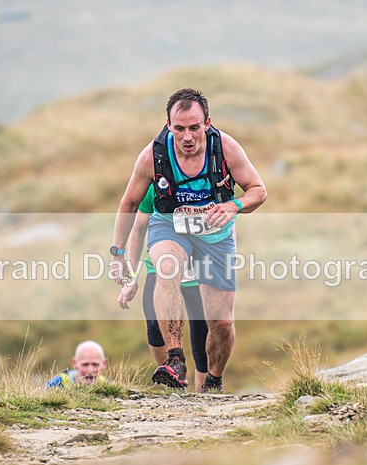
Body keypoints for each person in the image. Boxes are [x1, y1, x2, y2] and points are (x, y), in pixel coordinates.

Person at [110, 87, 267, 392]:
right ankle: (175, 358)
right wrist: (117, 254)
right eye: (179, 128)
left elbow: (258, 190)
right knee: (167, 266)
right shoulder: (152, 156)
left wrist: (233, 205)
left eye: (195, 128)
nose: (187, 137)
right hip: (170, 228)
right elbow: (129, 205)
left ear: (208, 123)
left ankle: (214, 381)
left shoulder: (227, 149)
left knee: (221, 324)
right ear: (168, 126)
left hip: (215, 238)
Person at [117, 187, 210, 392]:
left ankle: (204, 396)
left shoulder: (208, 183)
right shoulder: (156, 185)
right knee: (155, 331)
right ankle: (175, 384)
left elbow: (228, 227)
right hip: (160, 269)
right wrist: (131, 278)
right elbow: (138, 228)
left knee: (202, 339)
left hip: (198, 273)